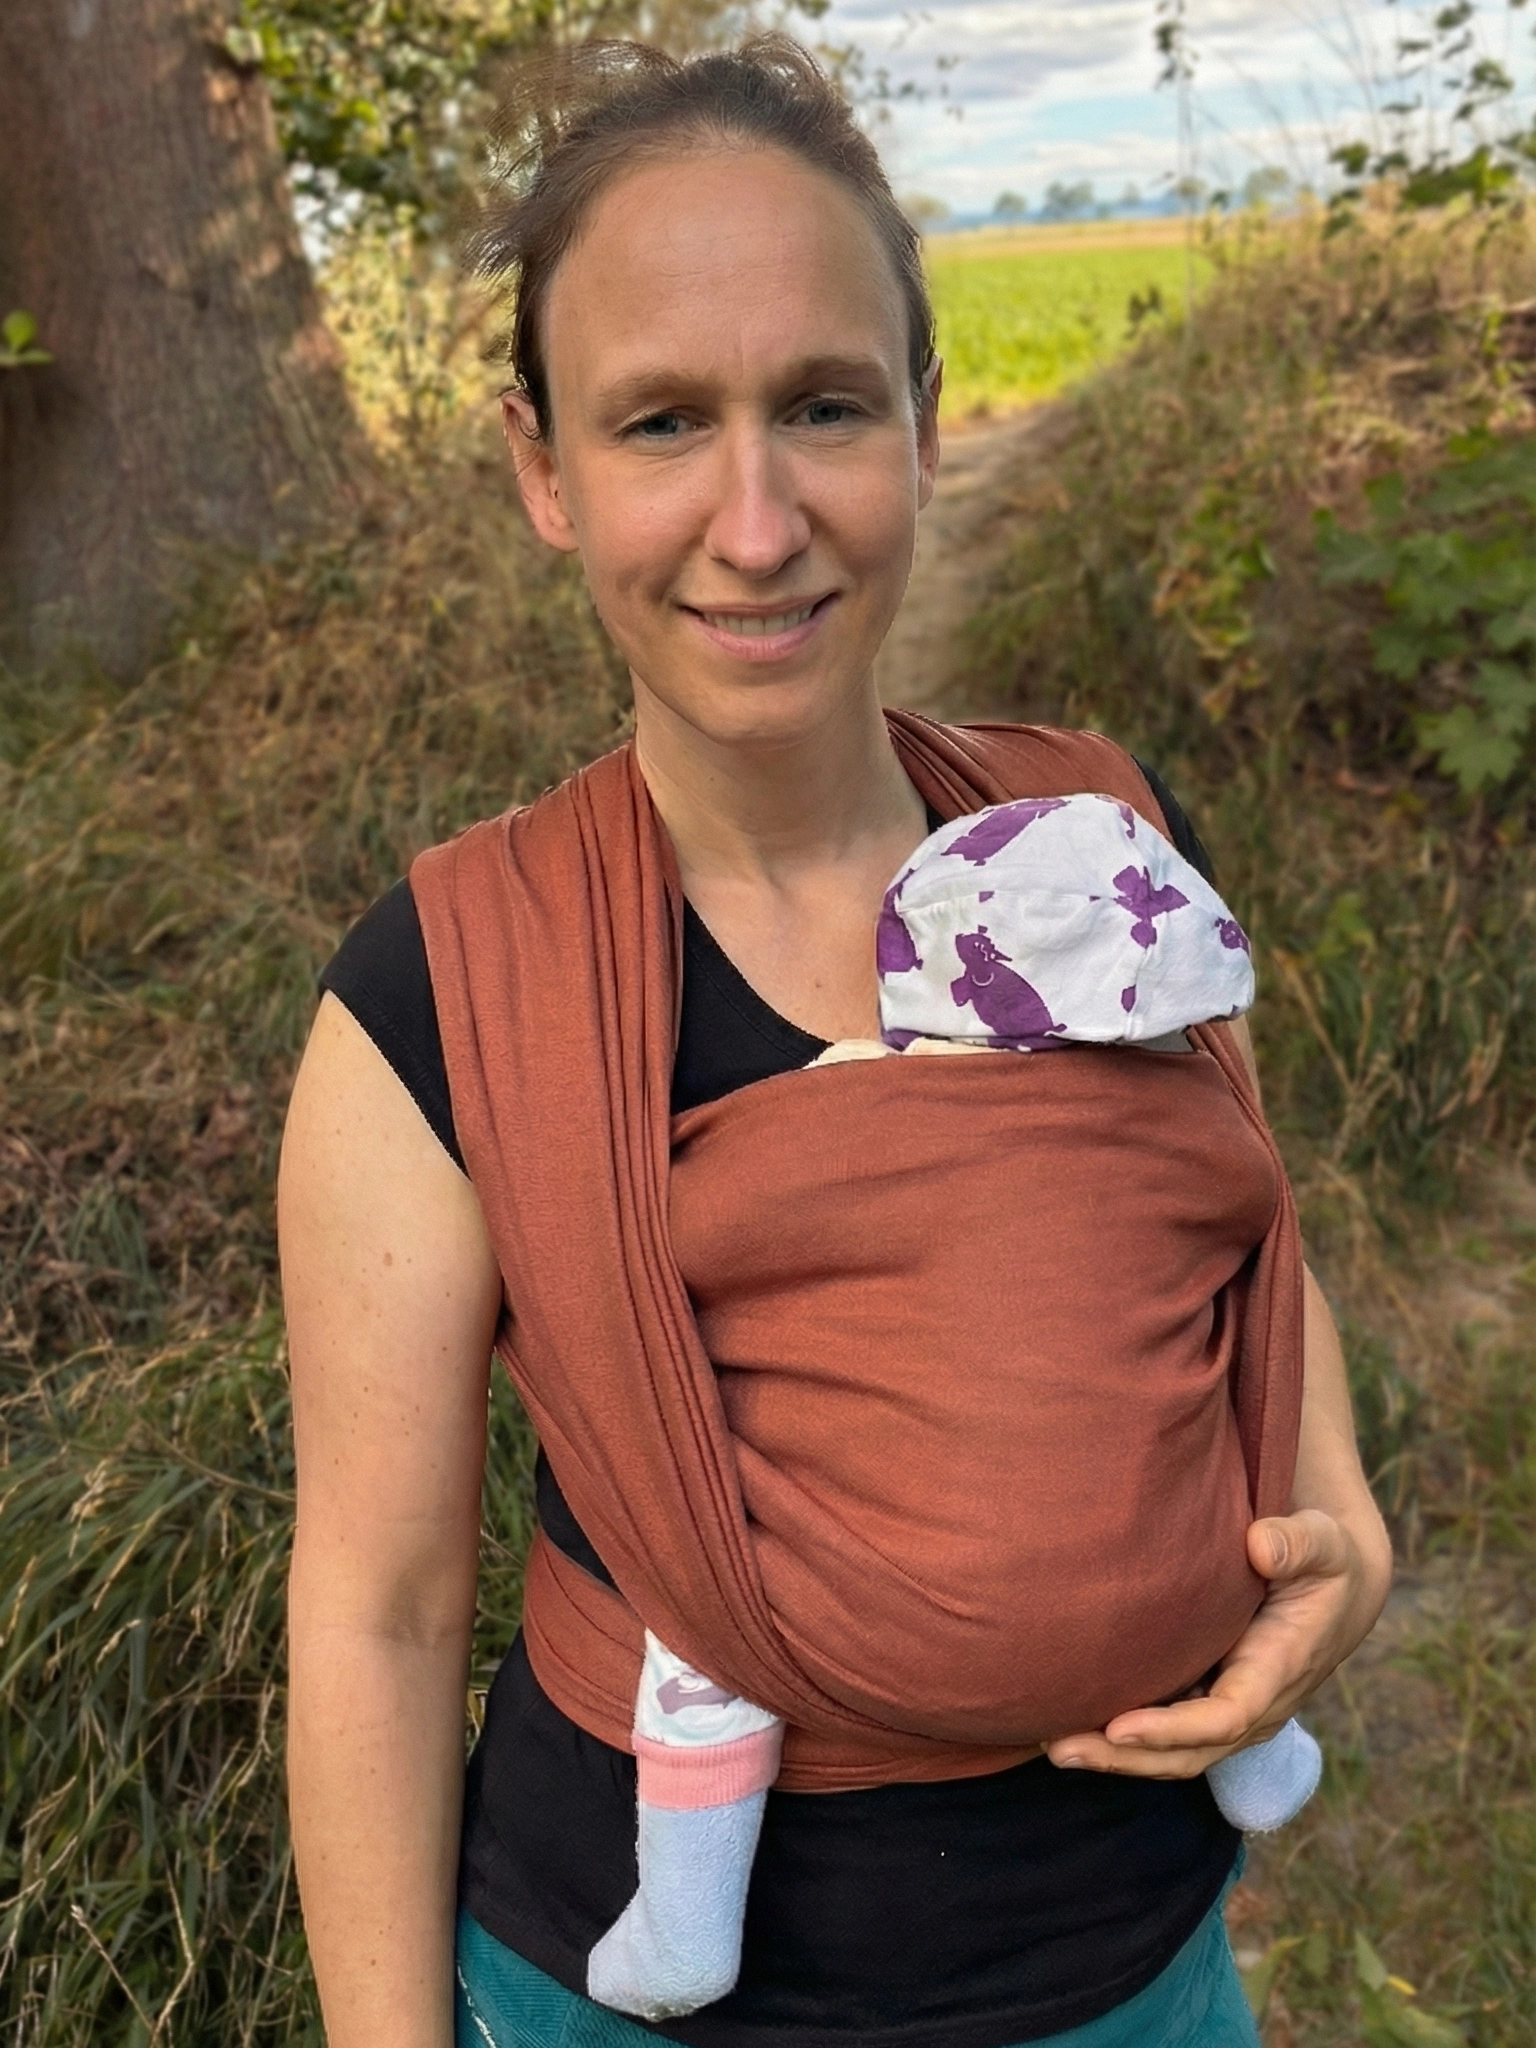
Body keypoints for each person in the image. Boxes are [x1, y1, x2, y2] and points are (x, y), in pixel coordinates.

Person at [278, 37, 1393, 2048]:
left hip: (1138, 1973)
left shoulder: (1094, 844)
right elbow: (375, 1613)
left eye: (821, 406)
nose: (759, 516)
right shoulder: (441, 995)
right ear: (544, 469)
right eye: (658, 423)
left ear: (928, 428)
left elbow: (1232, 1234)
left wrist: (1347, 1519)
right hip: (629, 1999)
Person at [586, 793, 1324, 2023]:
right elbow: (1259, 1218)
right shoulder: (1201, 1129)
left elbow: (680, 1231)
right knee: (1175, 1452)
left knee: (696, 1598)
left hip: (899, 1639)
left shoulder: (841, 1110)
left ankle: (687, 1919)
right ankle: (1261, 1755)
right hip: (1182, 1604)